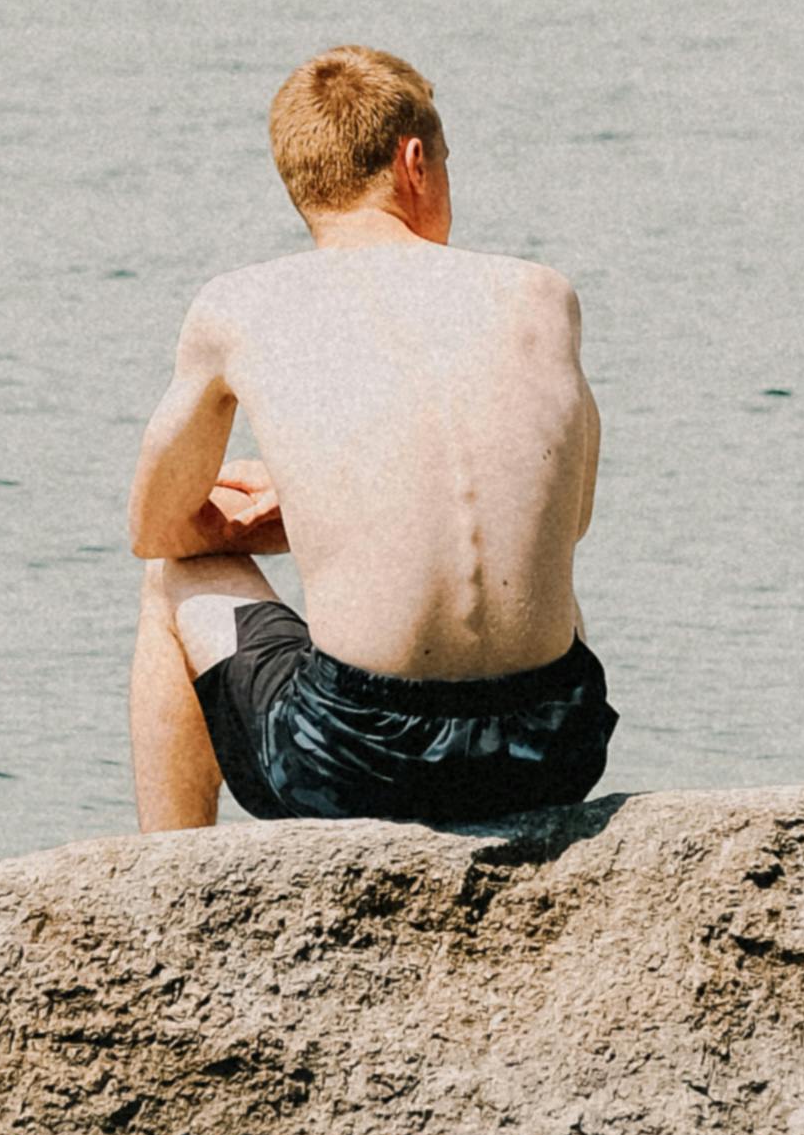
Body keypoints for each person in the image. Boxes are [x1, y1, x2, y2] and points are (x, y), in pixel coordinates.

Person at [124, 44, 615, 833]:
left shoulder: (238, 306)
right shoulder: (540, 294)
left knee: (174, 584)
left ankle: (169, 882)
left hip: (351, 763)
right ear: (414, 161)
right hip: (555, 748)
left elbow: (155, 533)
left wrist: (297, 520)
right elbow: (566, 519)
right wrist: (336, 506)